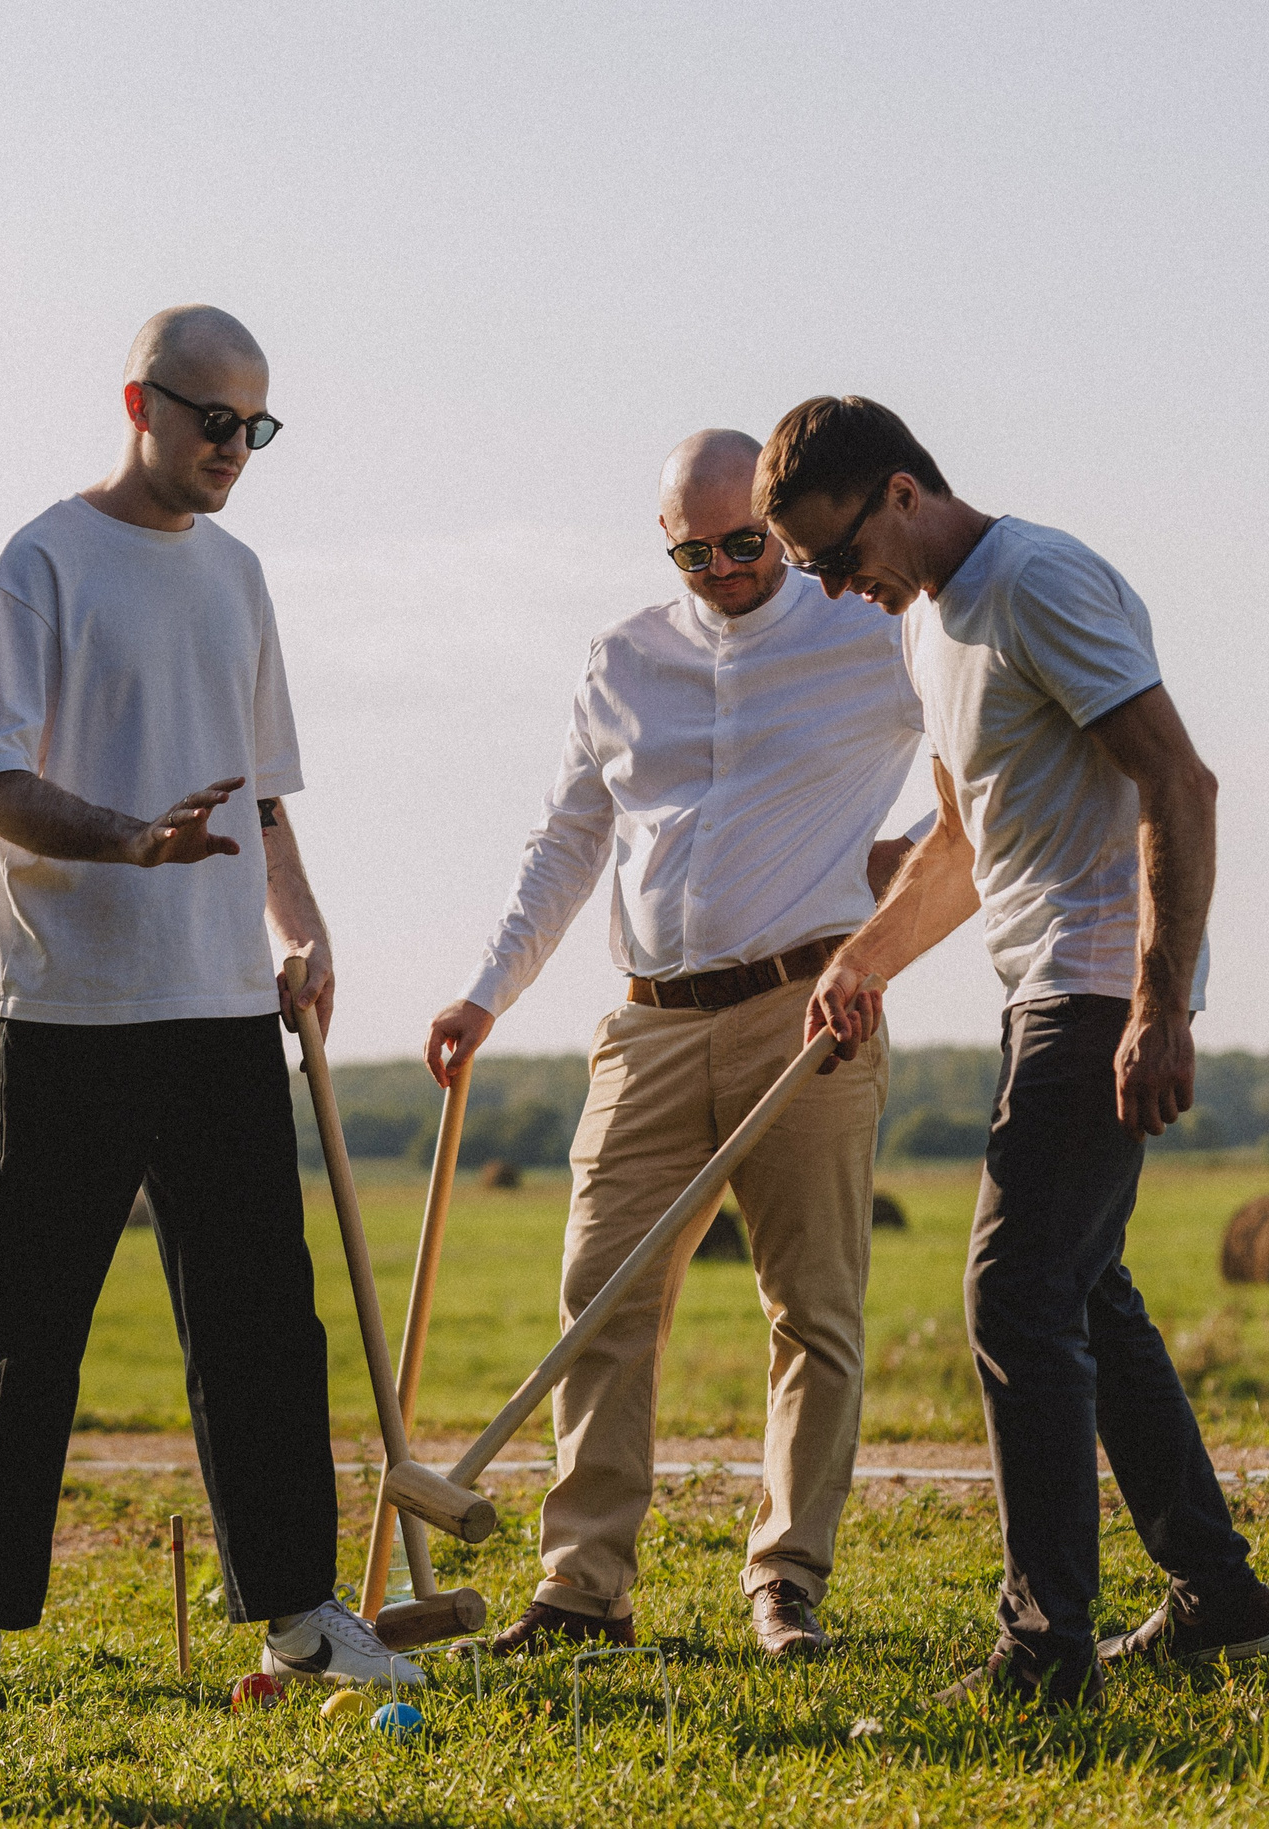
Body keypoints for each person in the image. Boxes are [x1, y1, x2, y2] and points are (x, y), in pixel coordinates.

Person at [756, 396, 1269, 1707]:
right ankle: (1219, 1595)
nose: (836, 590)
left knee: (1013, 1295)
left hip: (1102, 985)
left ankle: (1045, 1650)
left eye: (834, 558)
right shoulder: (930, 626)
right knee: (1085, 1291)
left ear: (898, 489)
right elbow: (961, 841)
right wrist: (865, 959)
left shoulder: (1036, 581)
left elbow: (1179, 782)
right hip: (1040, 982)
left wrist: (1160, 1008)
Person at [0, 304, 418, 1704]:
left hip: (217, 1012)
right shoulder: (41, 563)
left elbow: (261, 791)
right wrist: (127, 839)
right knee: (26, 1325)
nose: (234, 449)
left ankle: (300, 1614)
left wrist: (302, 929)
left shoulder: (241, 575)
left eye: (256, 427)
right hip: (68, 1007)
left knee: (265, 1323)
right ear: (138, 404)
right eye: (213, 420)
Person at [426, 430, 928, 1660]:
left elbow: (990, 766)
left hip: (808, 1011)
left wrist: (892, 894)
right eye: (693, 554)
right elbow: (565, 841)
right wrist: (485, 993)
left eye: (745, 543)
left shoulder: (872, 631)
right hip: (646, 1021)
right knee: (597, 1299)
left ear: (777, 520)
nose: (724, 570)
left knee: (811, 1310)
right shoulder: (621, 658)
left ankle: (786, 1581)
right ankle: (581, 1589)